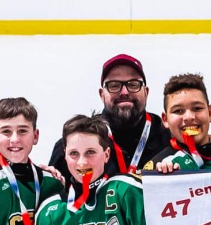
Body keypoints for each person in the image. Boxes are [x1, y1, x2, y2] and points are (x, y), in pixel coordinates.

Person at [48, 53, 168, 185]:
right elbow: (53, 193)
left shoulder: (167, 136)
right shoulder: (75, 144)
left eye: (133, 84)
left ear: (146, 92)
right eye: (114, 85)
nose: (124, 92)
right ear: (102, 94)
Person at [143, 74, 211, 173]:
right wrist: (160, 178)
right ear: (165, 120)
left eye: (197, 108)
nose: (189, 117)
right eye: (178, 111)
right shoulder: (157, 169)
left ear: (210, 113)